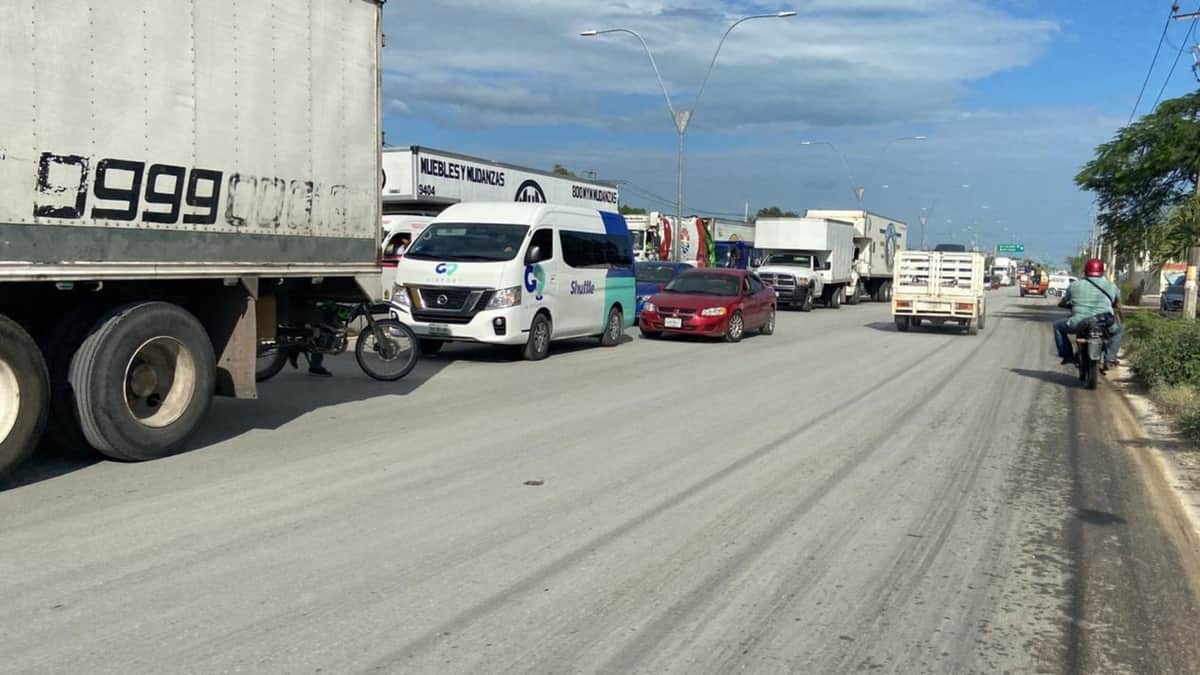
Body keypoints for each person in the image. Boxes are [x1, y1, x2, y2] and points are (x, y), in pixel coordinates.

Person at [1054, 258, 1122, 366]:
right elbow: (1117, 300)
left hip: (1079, 322)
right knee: (1117, 332)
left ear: (1085, 271)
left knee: (1057, 326)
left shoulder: (1075, 285)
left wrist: (1063, 303)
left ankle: (1068, 356)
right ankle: (1110, 358)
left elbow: (1065, 300)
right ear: (1102, 271)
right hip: (1104, 322)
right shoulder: (1111, 286)